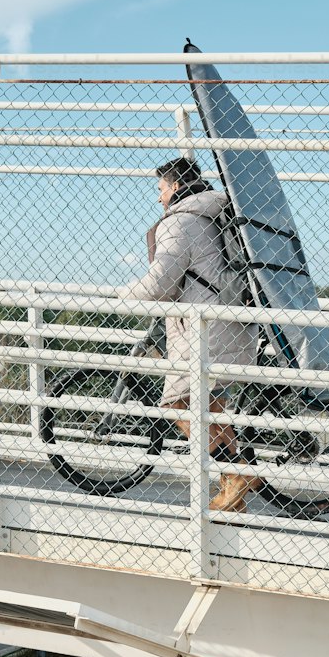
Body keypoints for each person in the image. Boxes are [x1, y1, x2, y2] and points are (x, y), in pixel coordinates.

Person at [119, 157, 261, 512]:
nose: (158, 198)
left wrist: (122, 295)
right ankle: (233, 494)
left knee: (176, 403)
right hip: (235, 324)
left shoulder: (180, 222)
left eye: (161, 188)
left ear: (177, 187)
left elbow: (160, 282)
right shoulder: (218, 212)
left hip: (204, 333)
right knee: (209, 406)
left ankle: (238, 471)